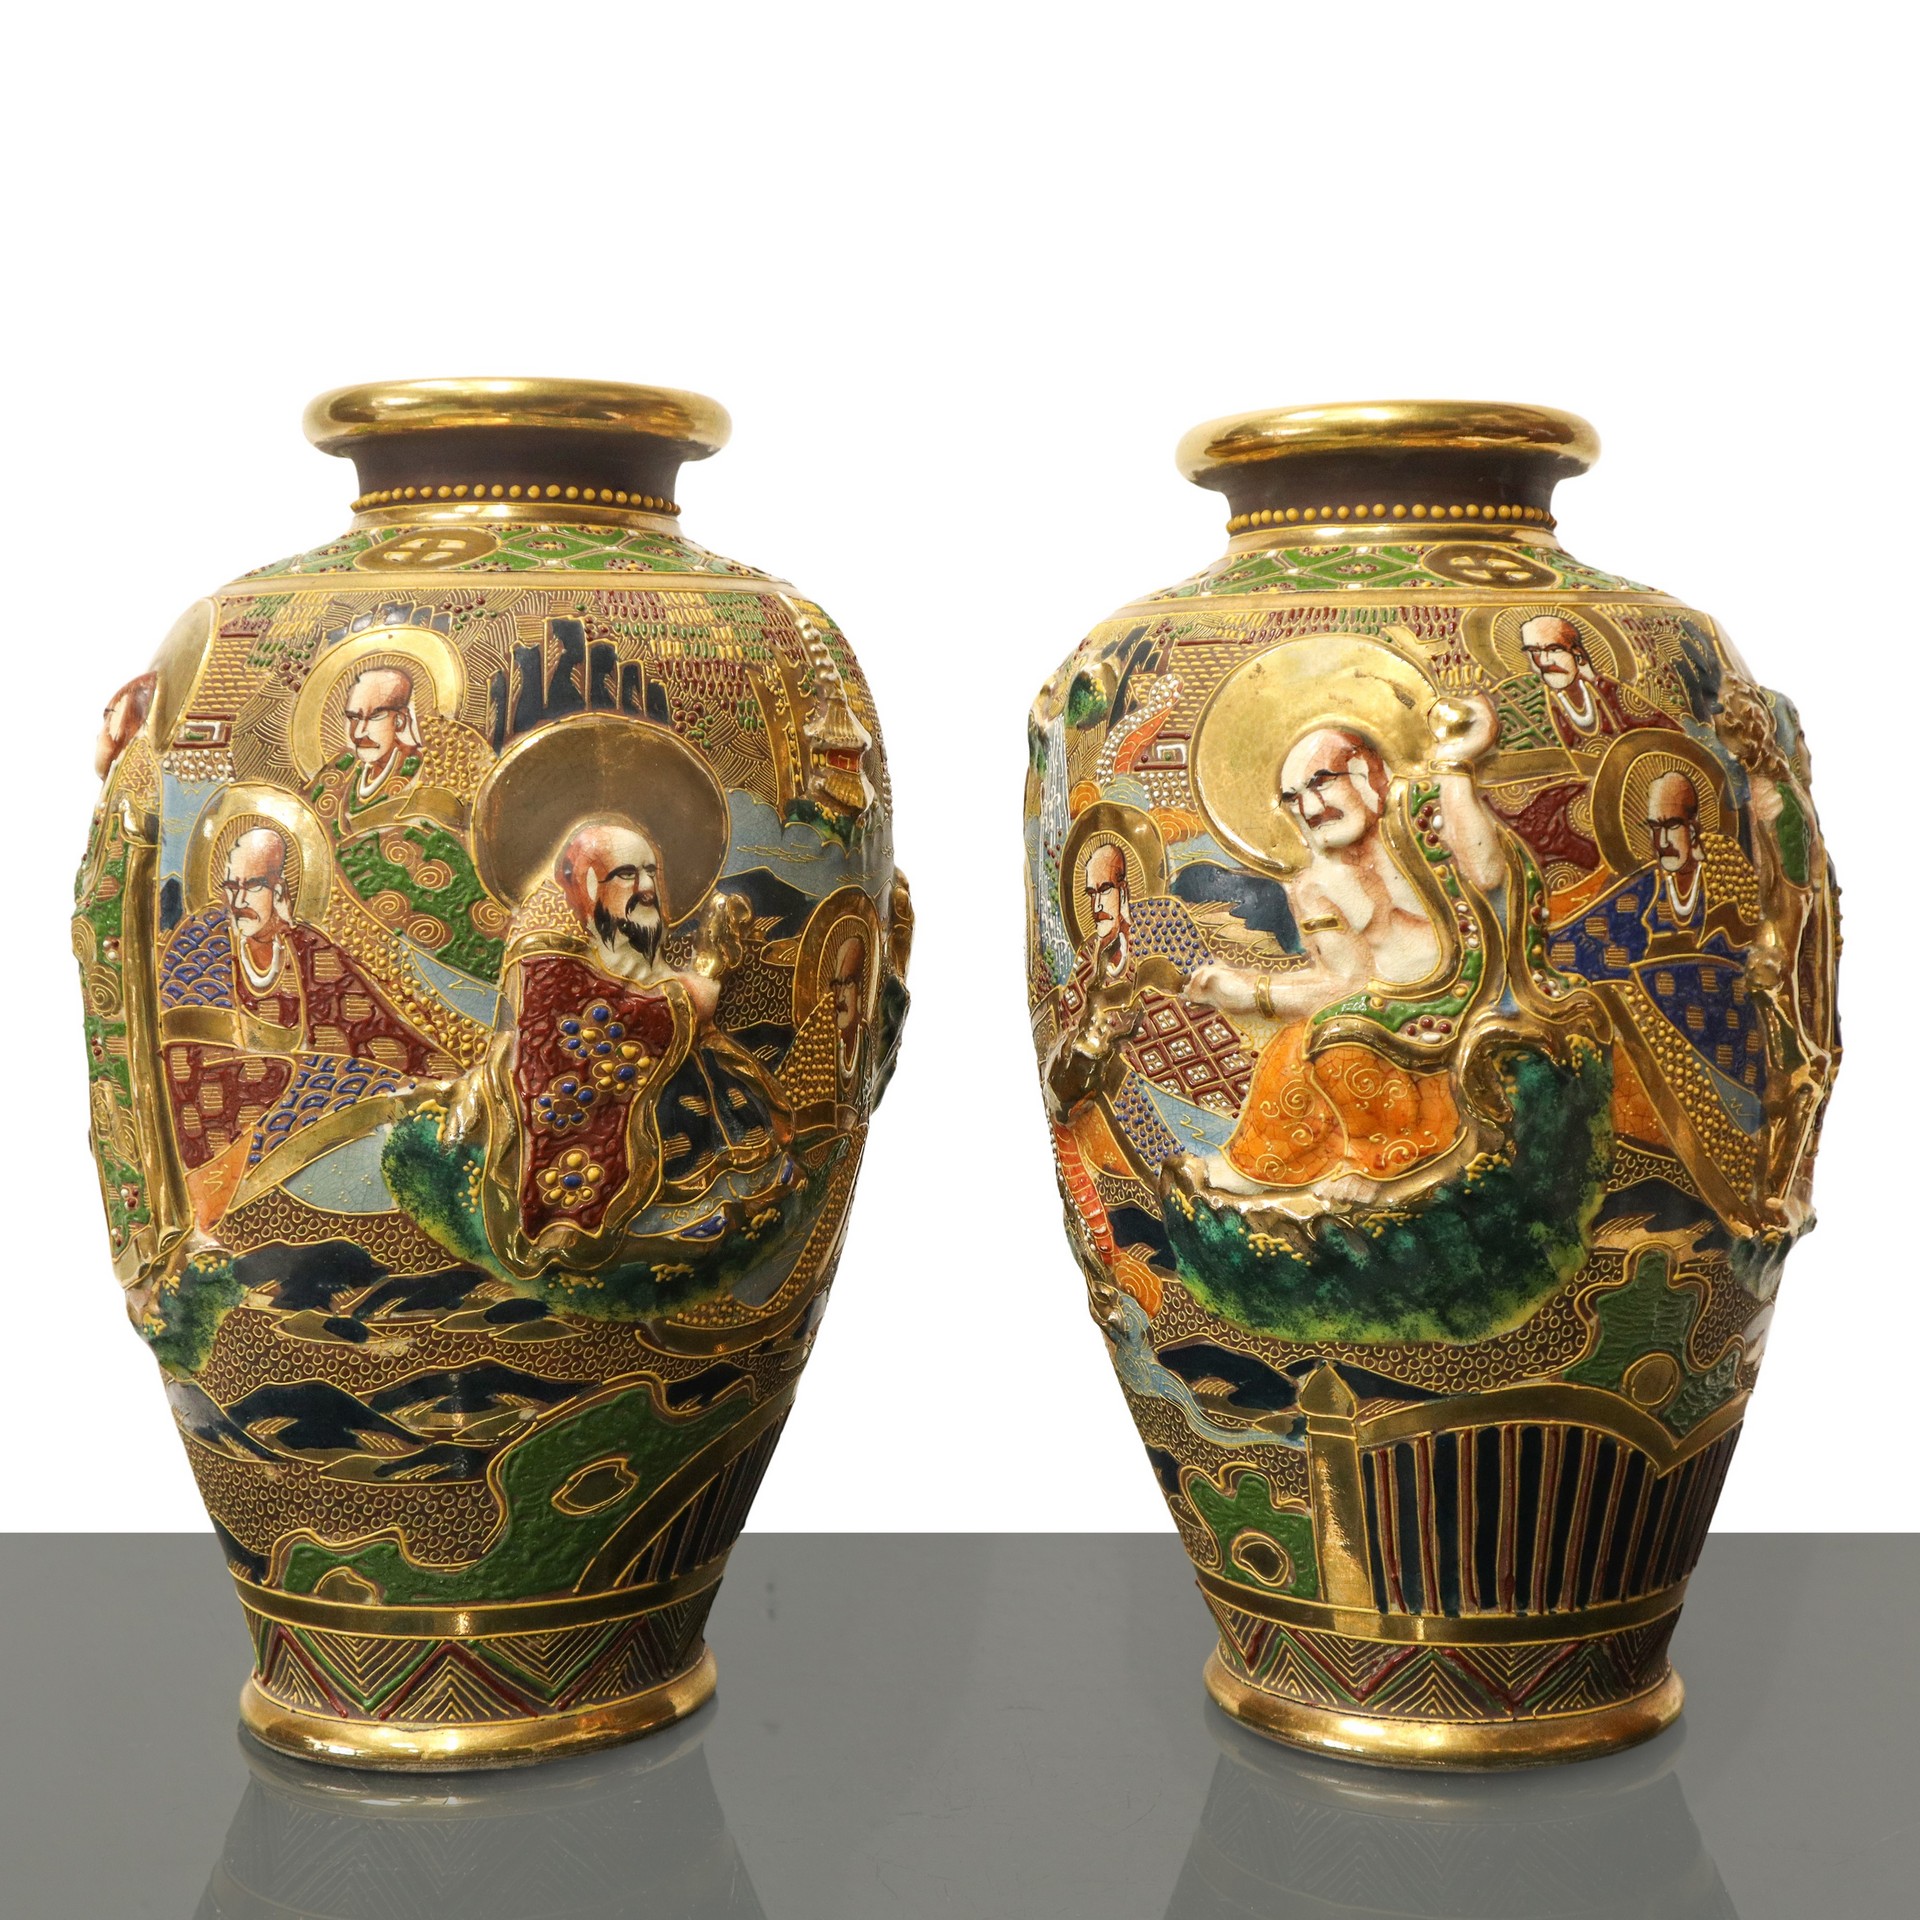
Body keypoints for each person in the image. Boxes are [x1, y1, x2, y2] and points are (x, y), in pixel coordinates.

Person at [1182, 700, 1506, 1203]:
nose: (1311, 809)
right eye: (1293, 799)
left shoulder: (1421, 815)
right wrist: (1251, 991)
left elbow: (1486, 873)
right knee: (1293, 1046)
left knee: (1339, 1038)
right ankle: (1266, 1164)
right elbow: (1347, 980)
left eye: (1320, 783)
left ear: (1365, 774)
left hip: (1476, 980)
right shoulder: (1316, 885)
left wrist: (1457, 764)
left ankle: (1394, 1160)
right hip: (1392, 1008)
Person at [499, 816, 796, 1243]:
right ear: (588, 885)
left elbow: (650, 984)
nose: (646, 887)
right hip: (615, 1099)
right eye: (626, 873)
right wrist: (694, 990)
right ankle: (666, 1219)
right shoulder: (547, 958)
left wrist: (694, 979)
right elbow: (602, 1020)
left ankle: (734, 1198)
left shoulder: (635, 933)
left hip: (684, 1069)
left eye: (650, 871)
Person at [157, 822, 448, 1225]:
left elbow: (374, 1028)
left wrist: (442, 1078)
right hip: (218, 1116)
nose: (238, 901)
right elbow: (186, 1056)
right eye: (230, 887)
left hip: (300, 1096)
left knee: (391, 1090)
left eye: (253, 886)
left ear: (281, 890)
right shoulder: (202, 941)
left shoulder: (308, 948)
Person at [1485, 614, 1678, 884]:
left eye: (1554, 649)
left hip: (1628, 819)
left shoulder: (1609, 693)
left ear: (1578, 653)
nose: (1544, 661)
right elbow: (1507, 795)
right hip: (1558, 837)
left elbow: (1671, 742)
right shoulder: (1518, 701)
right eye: (1534, 652)